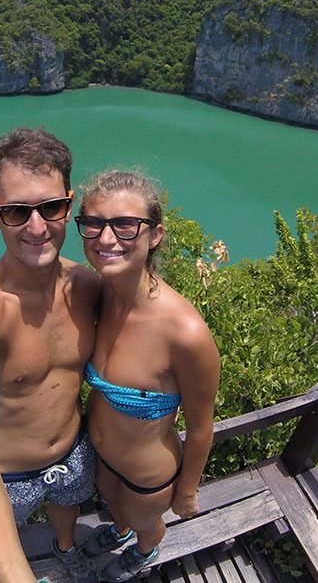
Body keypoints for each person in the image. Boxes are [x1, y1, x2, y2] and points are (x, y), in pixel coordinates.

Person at [0, 127, 102, 583]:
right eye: (17, 212)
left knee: (68, 507)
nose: (37, 227)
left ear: (69, 205)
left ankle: (65, 545)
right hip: (7, 475)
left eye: (50, 208)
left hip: (73, 451)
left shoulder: (88, 288)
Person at [73, 169, 220, 583]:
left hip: (147, 476)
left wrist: (188, 491)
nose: (105, 239)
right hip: (102, 457)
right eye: (94, 224)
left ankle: (144, 548)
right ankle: (119, 531)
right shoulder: (100, 294)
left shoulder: (184, 333)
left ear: (154, 234)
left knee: (144, 521)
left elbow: (202, 426)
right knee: (115, 510)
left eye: (124, 225)